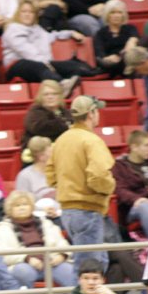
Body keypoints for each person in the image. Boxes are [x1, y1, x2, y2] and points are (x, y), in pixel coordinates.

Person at [45, 95, 115, 271]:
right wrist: (109, 187)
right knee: (89, 269)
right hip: (87, 210)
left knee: (97, 263)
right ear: (91, 114)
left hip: (68, 212)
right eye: (97, 110)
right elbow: (98, 176)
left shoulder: (62, 140)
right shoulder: (92, 141)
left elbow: (50, 175)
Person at [0, 190, 74, 294]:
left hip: (51, 262)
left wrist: (61, 255)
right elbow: (0, 254)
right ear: (10, 209)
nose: (22, 208)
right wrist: (27, 258)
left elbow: (62, 242)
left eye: (25, 204)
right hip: (23, 265)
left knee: (69, 271)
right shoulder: (2, 229)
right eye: (17, 205)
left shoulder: (46, 223)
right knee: (24, 272)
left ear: (31, 206)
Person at [1, 1, 85, 93]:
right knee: (37, 66)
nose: (27, 15)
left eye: (31, 12)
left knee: (71, 65)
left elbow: (51, 36)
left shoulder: (38, 29)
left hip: (41, 63)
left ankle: (81, 85)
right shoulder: (13, 30)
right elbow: (27, 51)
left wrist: (71, 33)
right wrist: (46, 64)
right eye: (24, 12)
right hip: (16, 65)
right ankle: (61, 85)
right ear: (18, 14)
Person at [111, 129, 148, 240]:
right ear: (134, 147)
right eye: (147, 145)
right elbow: (119, 189)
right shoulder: (120, 166)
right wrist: (136, 199)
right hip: (134, 208)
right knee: (145, 207)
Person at [93, 0, 139, 78]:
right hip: (112, 64)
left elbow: (135, 38)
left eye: (119, 12)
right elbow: (99, 53)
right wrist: (108, 58)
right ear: (107, 15)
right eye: (113, 12)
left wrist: (131, 42)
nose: (116, 15)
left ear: (123, 15)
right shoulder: (100, 33)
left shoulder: (130, 28)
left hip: (129, 60)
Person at [22, 80, 72, 151]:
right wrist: (63, 125)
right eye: (46, 94)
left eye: (54, 94)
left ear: (60, 96)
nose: (50, 97)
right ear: (40, 96)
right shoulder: (35, 112)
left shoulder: (65, 112)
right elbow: (38, 128)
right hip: (39, 153)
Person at [16, 136, 59, 208]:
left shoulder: (60, 171)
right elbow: (23, 202)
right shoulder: (24, 176)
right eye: (51, 152)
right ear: (41, 156)